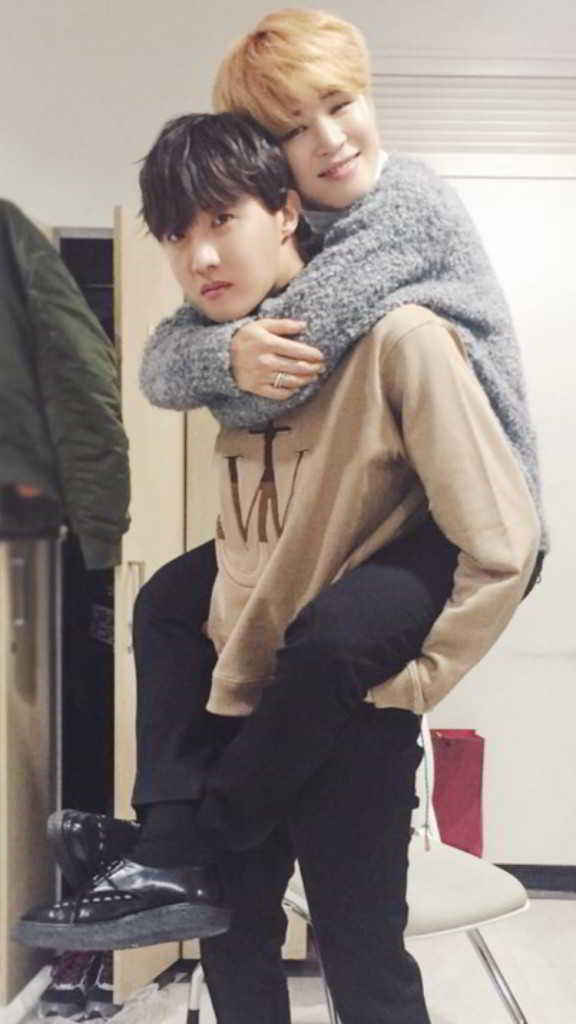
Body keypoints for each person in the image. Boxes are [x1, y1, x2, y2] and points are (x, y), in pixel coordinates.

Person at [16, 111, 540, 1024]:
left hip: (348, 714)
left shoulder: (402, 340)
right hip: (237, 699)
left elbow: (502, 540)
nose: (199, 256)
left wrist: (416, 682)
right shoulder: (228, 359)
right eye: (175, 235)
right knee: (233, 956)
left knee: (364, 964)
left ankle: (168, 846)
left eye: (222, 219)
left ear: (288, 212)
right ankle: (169, 845)